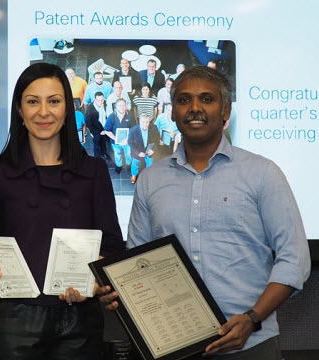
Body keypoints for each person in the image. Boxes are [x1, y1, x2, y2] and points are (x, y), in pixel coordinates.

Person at [100, 66, 311, 359]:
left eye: (207, 99)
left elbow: (294, 259)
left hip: (251, 344)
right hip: (172, 345)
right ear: (172, 112)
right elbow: (138, 259)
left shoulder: (263, 173)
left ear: (225, 112)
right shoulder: (151, 180)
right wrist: (120, 292)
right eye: (184, 100)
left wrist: (252, 318)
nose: (194, 108)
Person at [0, 62, 124, 360]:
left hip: (80, 320)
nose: (44, 112)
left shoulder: (94, 171)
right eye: (33, 102)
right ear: (19, 110)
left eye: (54, 101)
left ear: (68, 107)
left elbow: (113, 245)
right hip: (15, 321)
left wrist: (92, 283)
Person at [104, 98, 134, 174]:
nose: (122, 107)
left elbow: (134, 129)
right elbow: (107, 130)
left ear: (126, 106)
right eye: (119, 105)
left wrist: (127, 139)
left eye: (123, 105)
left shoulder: (130, 115)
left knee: (128, 154)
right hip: (115, 142)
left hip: (127, 142)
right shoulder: (111, 117)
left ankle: (128, 165)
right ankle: (118, 166)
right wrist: (116, 139)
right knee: (117, 155)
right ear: (116, 107)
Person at [127, 114, 159, 183]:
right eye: (143, 122)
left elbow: (157, 140)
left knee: (150, 164)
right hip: (137, 151)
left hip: (149, 150)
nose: (145, 124)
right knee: (135, 164)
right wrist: (138, 153)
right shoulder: (133, 130)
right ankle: (134, 175)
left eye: (147, 122)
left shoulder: (154, 127)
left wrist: (153, 150)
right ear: (139, 121)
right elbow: (130, 142)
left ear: (149, 122)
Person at [85, 91, 109, 160]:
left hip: (104, 128)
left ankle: (104, 153)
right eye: (98, 100)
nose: (100, 102)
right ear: (95, 99)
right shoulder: (90, 109)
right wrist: (97, 132)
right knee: (96, 143)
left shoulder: (105, 104)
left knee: (103, 142)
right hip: (95, 129)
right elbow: (89, 123)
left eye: (102, 100)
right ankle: (97, 158)